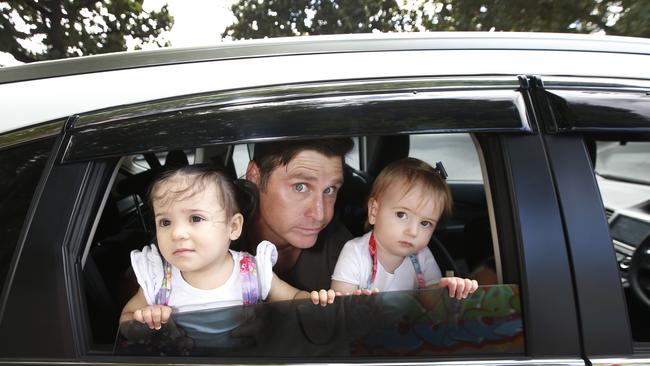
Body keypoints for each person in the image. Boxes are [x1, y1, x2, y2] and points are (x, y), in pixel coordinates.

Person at [119, 165, 336, 330]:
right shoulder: (158, 279)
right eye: (165, 222)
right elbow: (125, 320)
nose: (177, 233)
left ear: (233, 227)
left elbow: (294, 299)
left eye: (195, 218)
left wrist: (316, 301)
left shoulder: (252, 272)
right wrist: (144, 321)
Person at [331, 157, 479, 298]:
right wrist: (356, 306)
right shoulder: (355, 253)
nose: (413, 232)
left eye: (425, 223)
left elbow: (432, 300)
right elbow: (340, 308)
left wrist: (448, 288)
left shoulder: (422, 255)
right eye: (401, 215)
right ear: (374, 212)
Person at [233, 138, 354, 291]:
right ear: (254, 176)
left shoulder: (346, 251)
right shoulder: (215, 244)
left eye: (329, 190)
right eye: (300, 187)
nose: (320, 215)